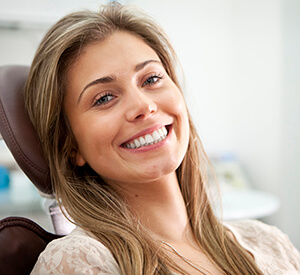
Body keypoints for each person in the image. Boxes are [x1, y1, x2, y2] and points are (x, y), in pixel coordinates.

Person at [25, 2, 300, 274]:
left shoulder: (269, 242)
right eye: (104, 98)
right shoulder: (78, 261)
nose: (143, 106)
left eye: (151, 79)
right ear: (70, 144)